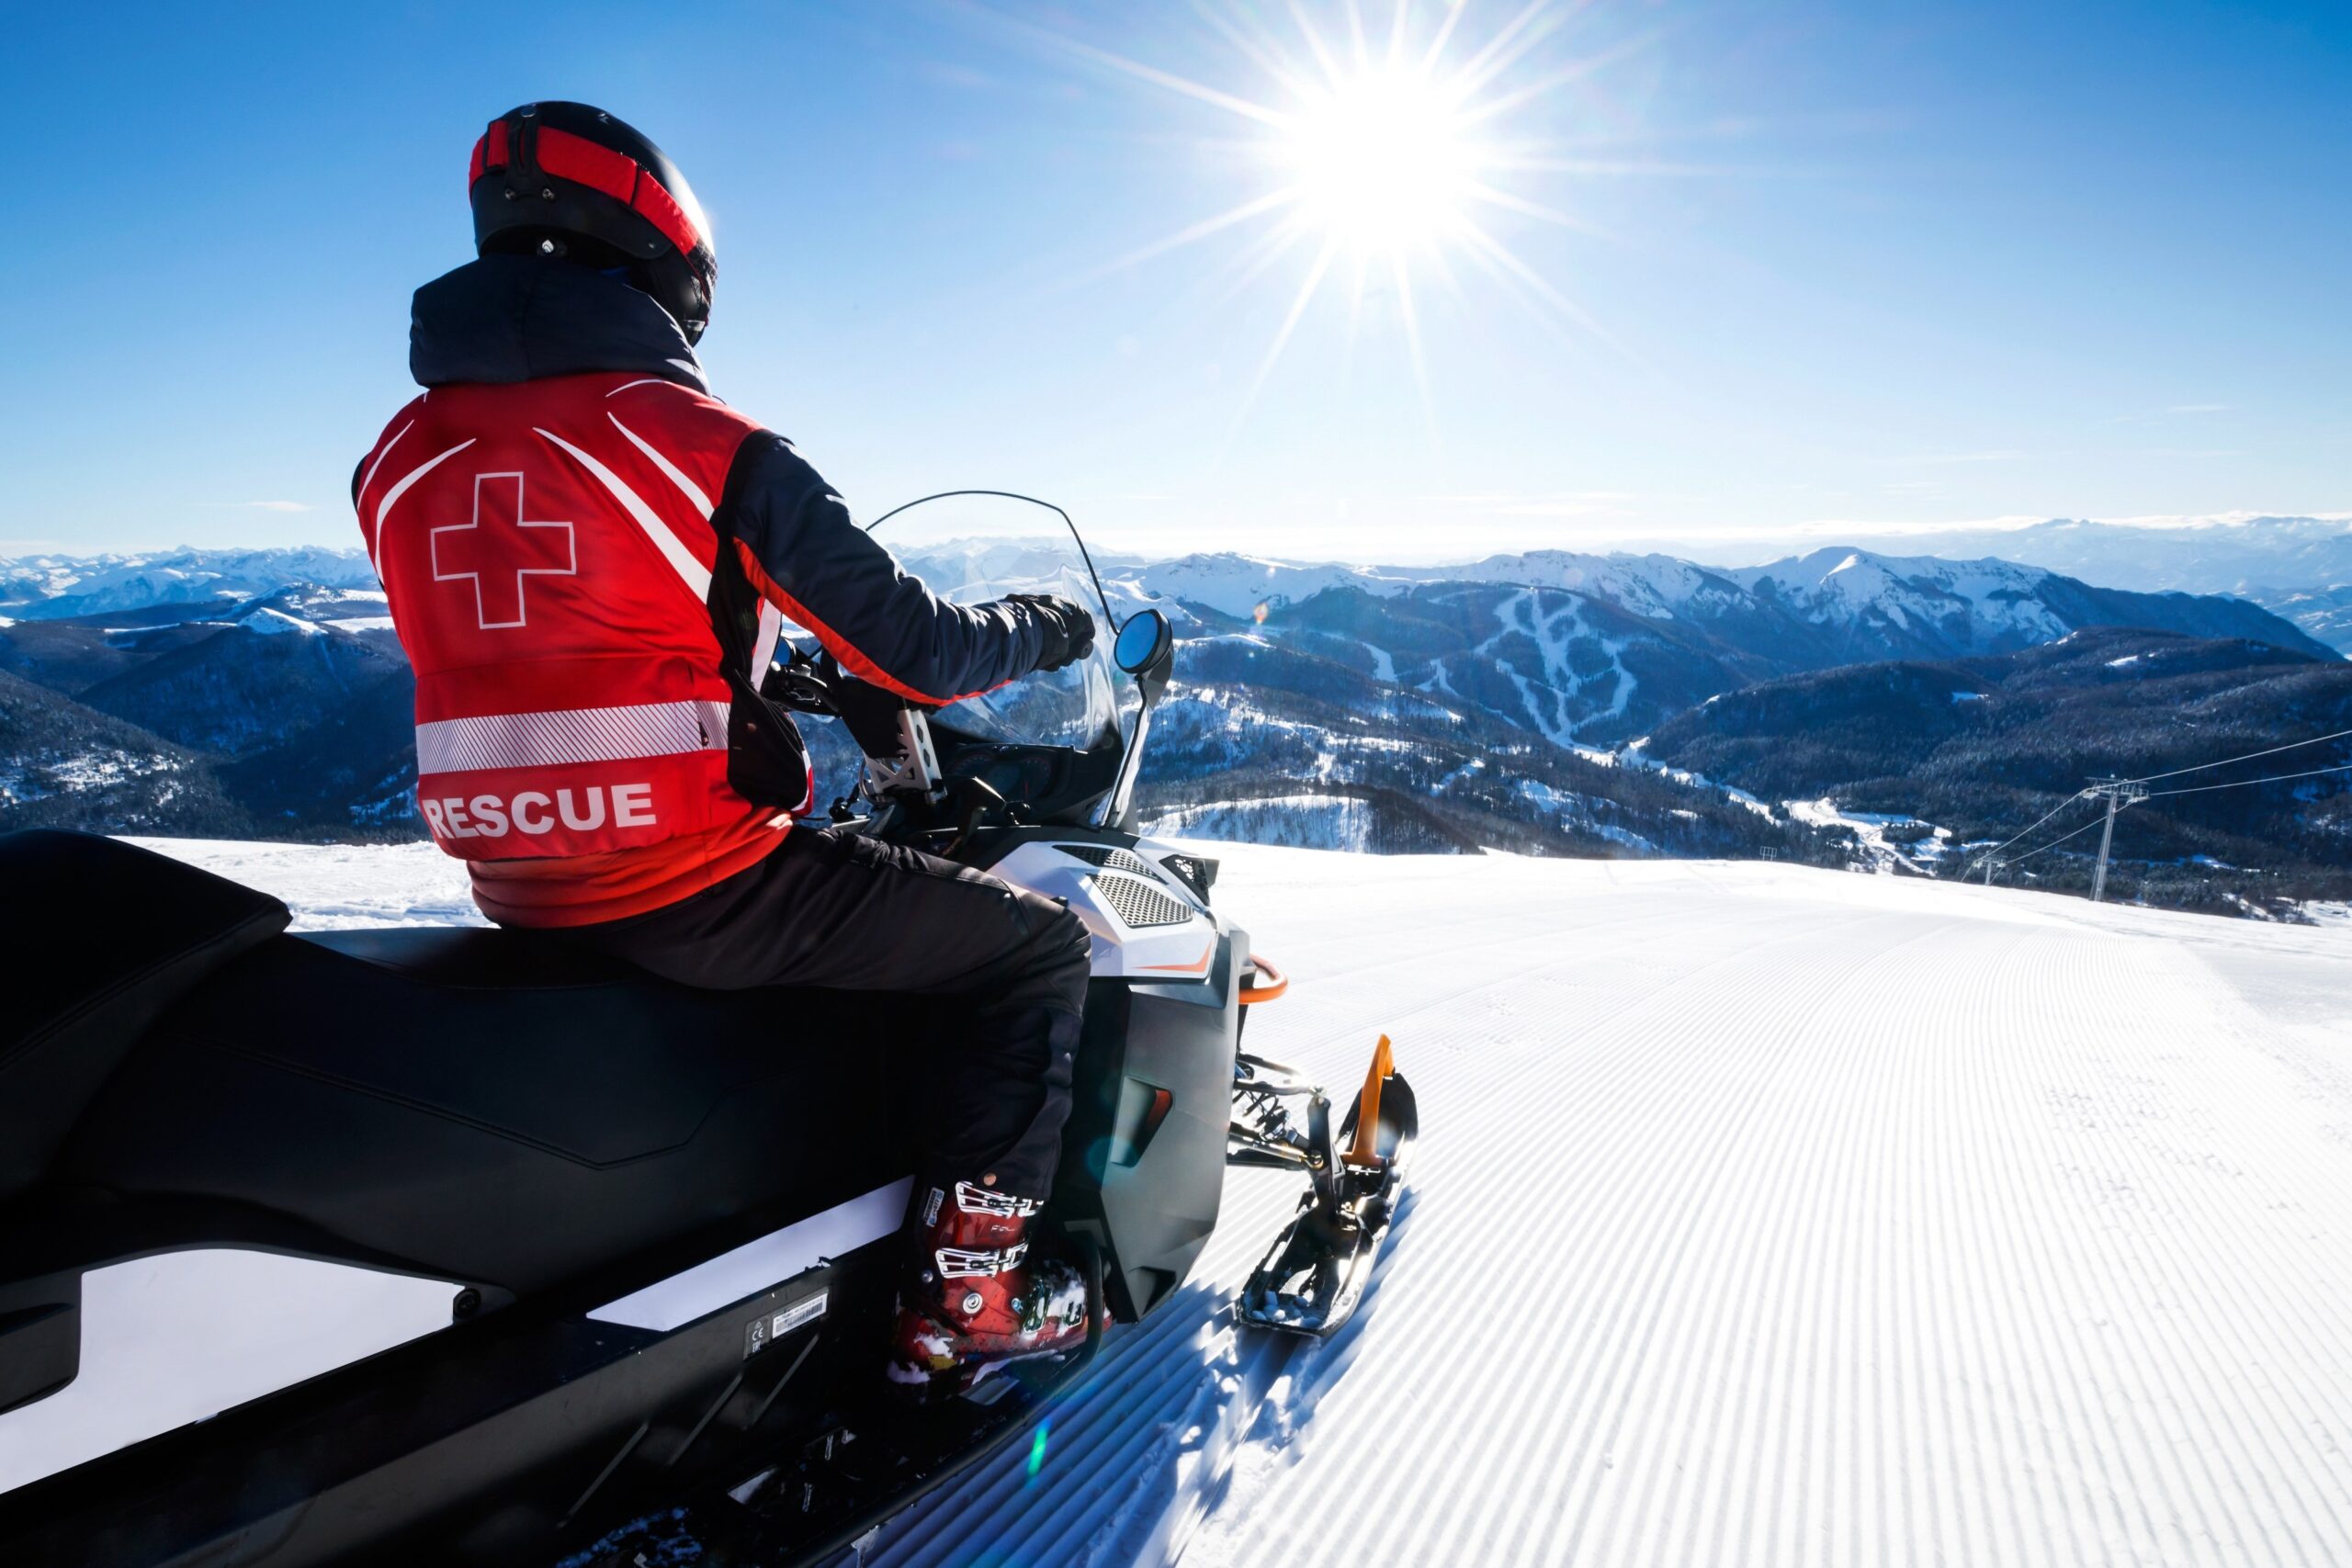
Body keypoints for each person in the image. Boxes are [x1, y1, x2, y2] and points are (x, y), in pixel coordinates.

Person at [352, 101, 1099, 1395]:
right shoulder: (705, 445)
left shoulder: (395, 460)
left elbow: (569, 634)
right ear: (670, 260)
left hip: (514, 886)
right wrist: (1044, 628)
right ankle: (967, 1299)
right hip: (693, 884)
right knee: (1034, 949)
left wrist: (756, 687)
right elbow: (914, 648)